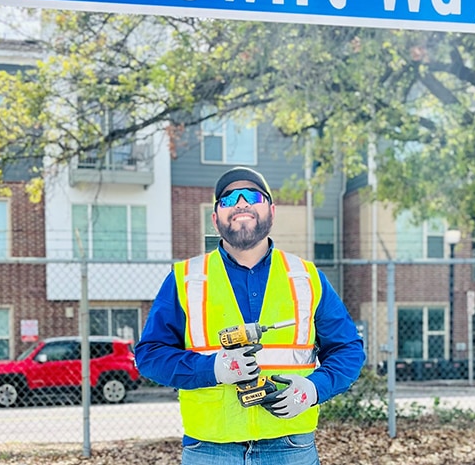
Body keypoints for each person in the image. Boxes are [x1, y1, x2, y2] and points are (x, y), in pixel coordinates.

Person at [136, 166, 365, 464]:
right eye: (228, 198)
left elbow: (348, 350)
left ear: (271, 210)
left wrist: (313, 388)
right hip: (209, 448)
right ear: (215, 218)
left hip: (290, 446)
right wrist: (213, 369)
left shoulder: (306, 278)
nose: (241, 203)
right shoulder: (186, 279)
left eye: (253, 195)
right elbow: (150, 356)